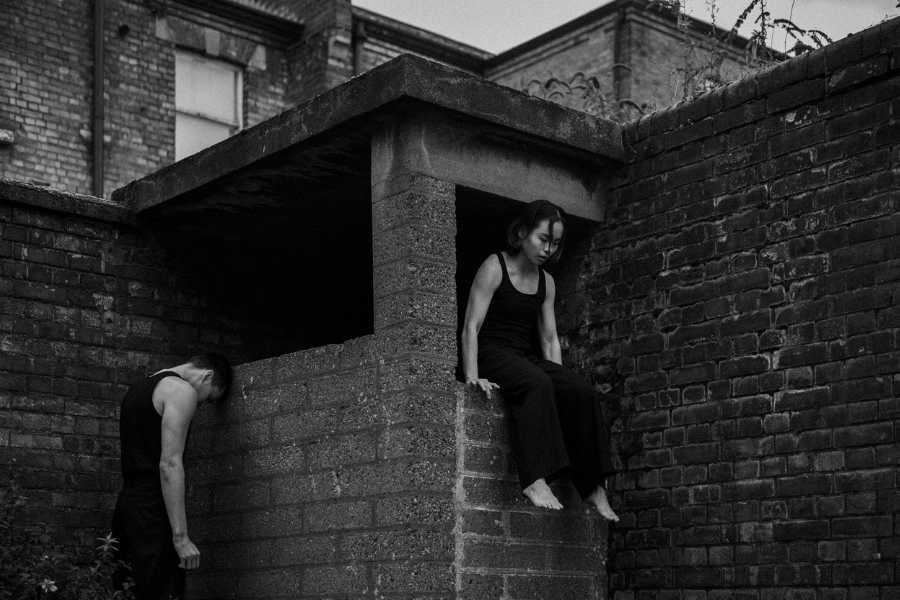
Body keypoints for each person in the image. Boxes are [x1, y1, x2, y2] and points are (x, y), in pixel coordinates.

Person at [461, 200, 619, 519]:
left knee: (581, 391)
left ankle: (592, 486)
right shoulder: (495, 266)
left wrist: (560, 389)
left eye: (555, 243)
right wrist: (472, 376)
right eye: (543, 239)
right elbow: (471, 327)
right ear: (522, 233)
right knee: (537, 383)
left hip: (524, 355)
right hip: (492, 353)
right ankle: (534, 479)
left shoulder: (546, 282)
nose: (548, 249)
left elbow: (549, 339)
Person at [112, 353, 232, 600]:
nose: (201, 405)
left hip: (127, 507)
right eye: (209, 398)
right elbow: (169, 464)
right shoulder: (181, 391)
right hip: (154, 512)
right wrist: (181, 538)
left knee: (126, 591)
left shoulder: (138, 389)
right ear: (207, 375)